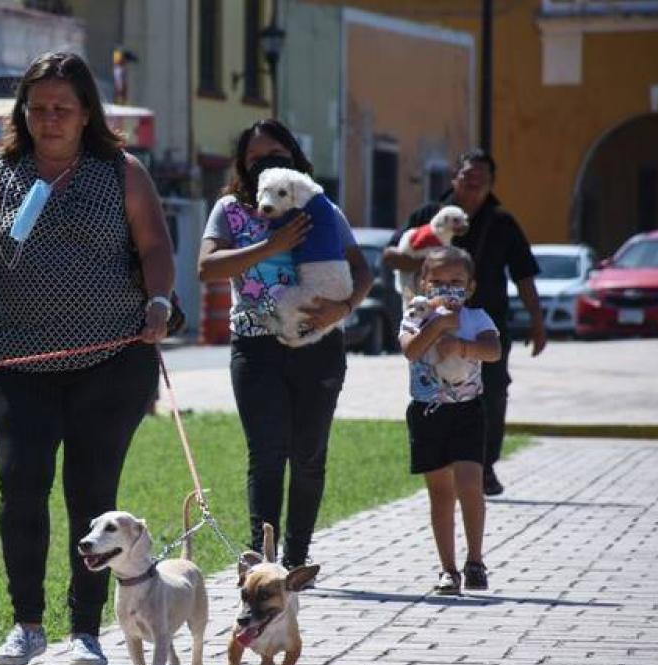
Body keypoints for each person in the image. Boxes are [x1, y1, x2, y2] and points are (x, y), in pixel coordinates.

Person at [0, 52, 174, 665]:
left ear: (86, 113)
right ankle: (27, 625)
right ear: (24, 111)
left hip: (111, 360)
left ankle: (86, 633)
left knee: (92, 494)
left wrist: (157, 301)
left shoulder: (122, 172)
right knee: (21, 486)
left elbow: (155, 247)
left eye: (62, 109)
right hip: (16, 359)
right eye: (38, 108)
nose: (49, 119)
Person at [197, 119, 373, 570]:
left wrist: (345, 307)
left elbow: (362, 268)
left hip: (319, 346)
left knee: (309, 454)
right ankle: (264, 555)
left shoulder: (321, 208)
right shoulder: (230, 210)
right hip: (256, 348)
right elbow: (208, 268)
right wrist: (270, 245)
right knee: (267, 453)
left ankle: (296, 560)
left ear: (294, 157)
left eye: (277, 154)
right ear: (243, 166)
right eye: (256, 159)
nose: (267, 163)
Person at [383, 148, 545, 496]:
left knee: (494, 390)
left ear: (491, 184)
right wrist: (424, 265)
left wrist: (537, 320)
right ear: (454, 178)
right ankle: (442, 466)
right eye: (467, 177)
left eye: (481, 179)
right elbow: (390, 254)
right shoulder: (429, 215)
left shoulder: (502, 221)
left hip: (486, 321)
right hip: (431, 321)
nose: (473, 184)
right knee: (435, 390)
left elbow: (524, 274)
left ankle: (484, 466)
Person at [398, 246, 500, 594]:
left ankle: (475, 560)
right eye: (438, 281)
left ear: (470, 286)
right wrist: (438, 323)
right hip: (428, 414)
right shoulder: (414, 317)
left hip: (468, 412)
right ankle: (448, 570)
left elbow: (493, 350)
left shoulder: (478, 318)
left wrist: (462, 346)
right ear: (424, 284)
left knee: (470, 485)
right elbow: (411, 351)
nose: (447, 287)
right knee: (441, 494)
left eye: (456, 281)